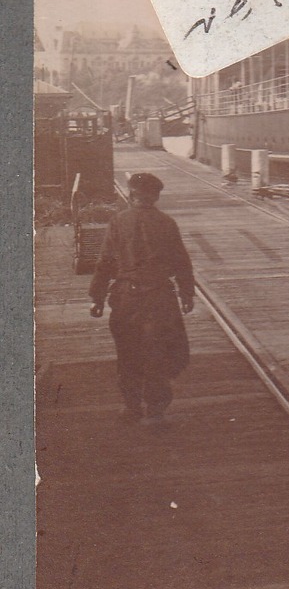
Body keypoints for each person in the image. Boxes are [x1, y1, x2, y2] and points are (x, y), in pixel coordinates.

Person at [89, 172, 194, 427]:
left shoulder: (118, 222)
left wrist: (97, 297)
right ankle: (156, 408)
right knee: (158, 351)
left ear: (131, 194)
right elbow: (181, 261)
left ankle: (131, 405)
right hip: (159, 297)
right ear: (155, 196)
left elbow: (105, 262)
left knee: (128, 351)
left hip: (127, 298)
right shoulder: (167, 223)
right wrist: (187, 293)